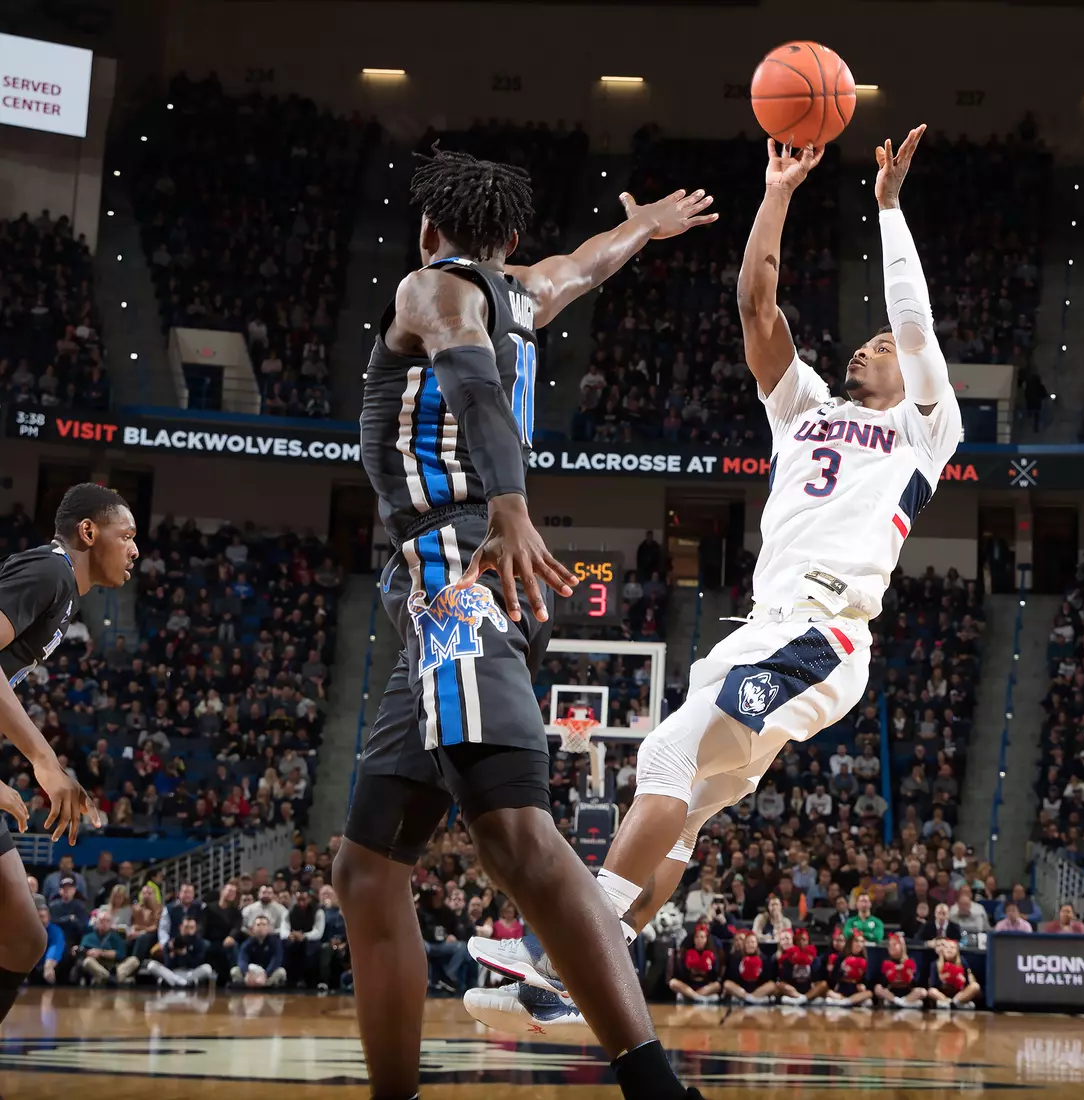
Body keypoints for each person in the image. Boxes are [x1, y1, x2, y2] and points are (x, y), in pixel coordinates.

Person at [468, 126, 962, 1013]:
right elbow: (756, 307)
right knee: (680, 814)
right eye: (866, 344)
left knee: (664, 750)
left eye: (881, 347)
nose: (869, 348)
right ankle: (571, 988)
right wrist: (777, 191)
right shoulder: (804, 407)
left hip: (821, 630)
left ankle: (569, 951)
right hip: (769, 629)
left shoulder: (924, 431)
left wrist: (888, 209)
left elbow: (917, 321)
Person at [334, 146, 715, 1100]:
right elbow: (585, 262)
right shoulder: (526, 293)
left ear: (430, 235)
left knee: (514, 834)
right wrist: (642, 227)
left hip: (457, 573)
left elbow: (471, 385)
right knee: (367, 863)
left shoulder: (432, 289)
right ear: (509, 242)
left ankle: (655, 1086)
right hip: (452, 596)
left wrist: (508, 506)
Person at [0, 484, 132, 1019]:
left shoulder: (64, 592)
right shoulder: (50, 571)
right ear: (88, 532)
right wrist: (45, 763)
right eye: (126, 535)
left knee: (23, 938)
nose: (134, 549)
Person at [666, 923, 723, 1005]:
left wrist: (707, 969)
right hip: (689, 986)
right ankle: (699, 997)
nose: (699, 940)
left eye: (702, 937)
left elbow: (715, 975)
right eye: (697, 937)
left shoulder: (712, 953)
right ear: (694, 939)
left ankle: (689, 997)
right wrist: (690, 970)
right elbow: (682, 973)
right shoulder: (686, 952)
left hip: (705, 986)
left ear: (706, 939)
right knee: (673, 982)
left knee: (717, 985)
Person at [722, 929, 776, 1005]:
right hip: (742, 990)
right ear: (744, 945)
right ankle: (751, 999)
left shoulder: (764, 958)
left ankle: (750, 998)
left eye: (753, 942)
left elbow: (768, 978)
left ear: (757, 944)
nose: (750, 945)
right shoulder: (737, 958)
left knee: (772, 985)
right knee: (727, 984)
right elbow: (732, 978)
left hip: (758, 989)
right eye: (748, 942)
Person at [874, 932, 926, 1008]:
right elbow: (882, 983)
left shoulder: (910, 961)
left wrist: (908, 973)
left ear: (902, 946)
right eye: (890, 945)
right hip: (892, 993)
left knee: (922, 991)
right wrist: (892, 971)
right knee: (878, 988)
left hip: (907, 992)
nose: (891, 948)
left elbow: (916, 982)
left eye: (894, 945)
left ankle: (902, 1002)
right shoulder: (886, 962)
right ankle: (899, 1002)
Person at [927, 938, 980, 1010]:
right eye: (946, 948)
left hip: (959, 994)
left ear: (957, 951)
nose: (949, 950)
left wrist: (963, 979)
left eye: (952, 948)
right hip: (942, 995)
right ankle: (951, 1003)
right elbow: (933, 985)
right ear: (943, 950)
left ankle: (954, 1002)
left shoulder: (962, 961)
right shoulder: (935, 964)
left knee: (975, 986)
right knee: (931, 991)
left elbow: (968, 983)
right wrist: (942, 979)